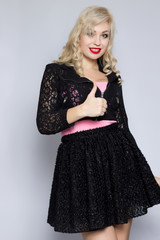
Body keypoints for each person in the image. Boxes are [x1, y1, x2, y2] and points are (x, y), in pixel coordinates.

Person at [36, 5, 160, 240]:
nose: (98, 41)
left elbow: (123, 129)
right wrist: (82, 110)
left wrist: (144, 173)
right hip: (82, 165)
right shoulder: (57, 72)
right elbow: (44, 123)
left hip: (118, 163)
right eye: (91, 33)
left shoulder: (111, 77)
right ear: (78, 35)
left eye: (104, 35)